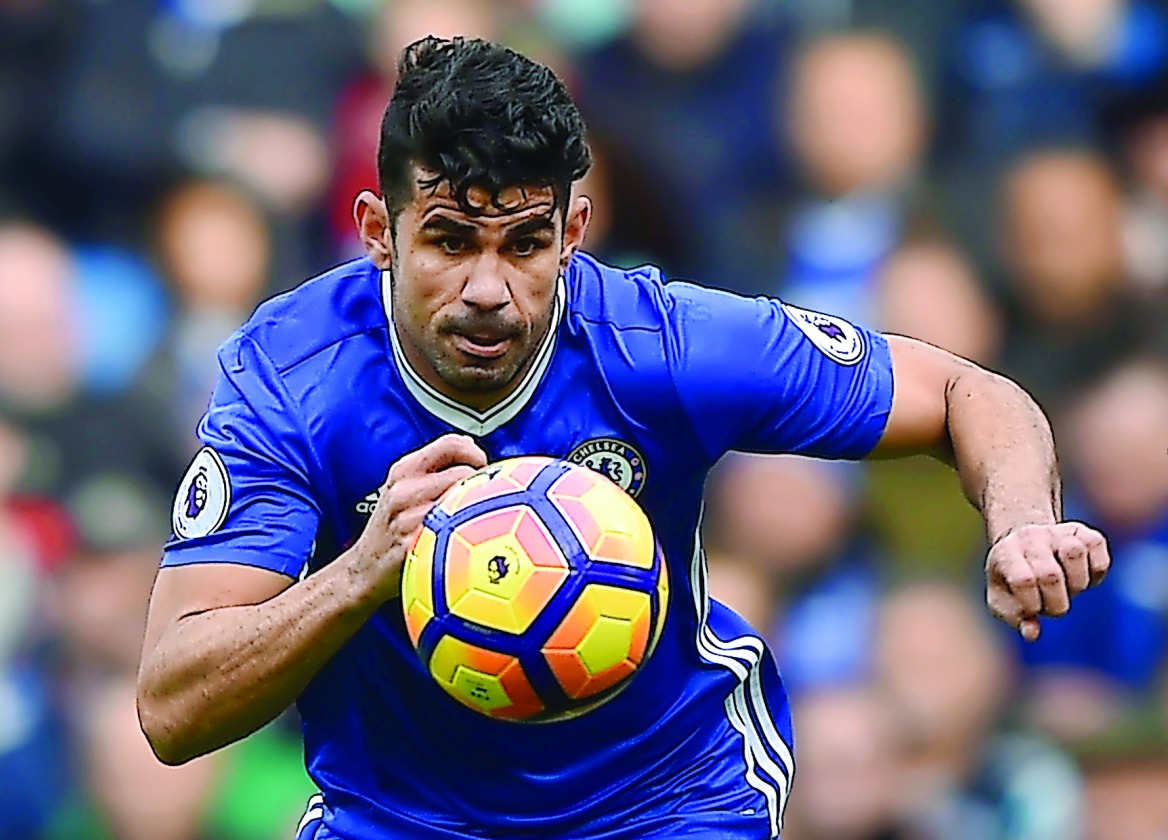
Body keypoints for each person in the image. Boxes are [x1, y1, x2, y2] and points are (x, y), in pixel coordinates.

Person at [135, 37, 1112, 840]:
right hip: (399, 815)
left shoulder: (662, 347)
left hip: (667, 799)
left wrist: (1023, 522)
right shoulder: (293, 377)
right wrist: (359, 574)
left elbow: (967, 392)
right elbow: (172, 708)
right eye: (449, 241)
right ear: (377, 231)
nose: (488, 288)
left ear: (575, 232)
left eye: (525, 243)